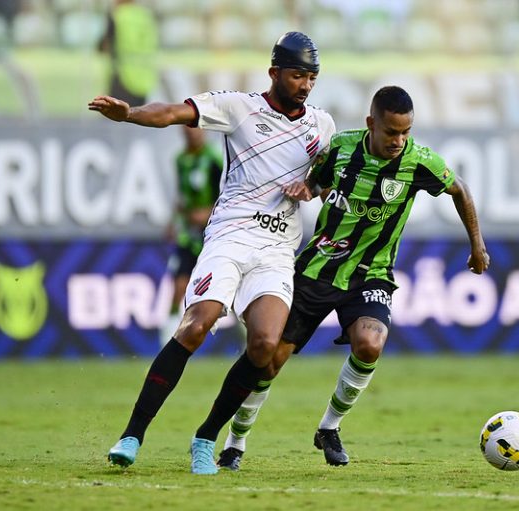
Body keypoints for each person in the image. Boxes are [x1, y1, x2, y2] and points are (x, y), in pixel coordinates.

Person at [88, 31, 336, 475]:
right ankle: (132, 434)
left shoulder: (323, 124)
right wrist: (129, 115)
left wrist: (312, 187)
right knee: (197, 325)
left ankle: (205, 437)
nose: (305, 85)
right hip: (230, 237)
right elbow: (172, 113)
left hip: (278, 248)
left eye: (312, 77)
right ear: (274, 72)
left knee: (264, 345)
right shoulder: (240, 107)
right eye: (298, 75)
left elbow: (326, 176)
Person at [213, 85, 490, 470]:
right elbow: (315, 180)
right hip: (315, 270)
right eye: (391, 132)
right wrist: (306, 189)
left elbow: (459, 190)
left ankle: (329, 428)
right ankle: (235, 443)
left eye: (406, 132)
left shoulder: (418, 162)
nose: (399, 141)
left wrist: (477, 245)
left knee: (370, 344)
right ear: (370, 124)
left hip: (371, 275)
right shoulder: (341, 148)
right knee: (269, 362)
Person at [161, 126, 223, 347]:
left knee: (227, 288)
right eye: (188, 131)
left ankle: (247, 337)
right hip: (189, 234)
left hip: (213, 233)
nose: (192, 134)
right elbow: (181, 194)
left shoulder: (214, 158)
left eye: (196, 130)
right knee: (178, 284)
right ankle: (168, 338)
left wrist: (207, 213)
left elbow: (227, 193)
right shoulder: (181, 160)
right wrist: (172, 222)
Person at [97, 0, 159, 106]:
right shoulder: (145, 15)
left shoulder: (117, 15)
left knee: (119, 116)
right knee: (138, 115)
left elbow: (103, 46)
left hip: (122, 76)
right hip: (144, 76)